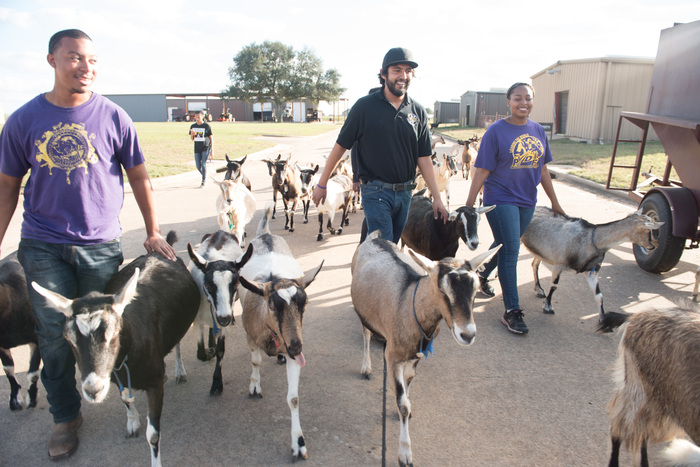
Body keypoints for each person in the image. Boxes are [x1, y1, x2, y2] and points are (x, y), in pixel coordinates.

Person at [0, 29, 176, 461]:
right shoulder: (23, 120)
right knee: (54, 337)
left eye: (93, 59)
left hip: (99, 246)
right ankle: (65, 417)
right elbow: (6, 187)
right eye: (76, 57)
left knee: (104, 331)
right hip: (42, 246)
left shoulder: (114, 117)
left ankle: (119, 392)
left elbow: (138, 177)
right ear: (52, 61)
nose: (86, 66)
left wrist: (153, 230)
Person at [312, 47, 448, 244]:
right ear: (383, 74)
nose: (403, 76)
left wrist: (437, 197)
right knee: (385, 247)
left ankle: (363, 270)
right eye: (397, 70)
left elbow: (424, 157)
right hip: (375, 191)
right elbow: (341, 146)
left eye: (408, 71)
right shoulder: (364, 107)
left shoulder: (417, 111)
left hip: (405, 193)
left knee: (388, 246)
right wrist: (322, 183)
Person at [465, 82, 565, 335]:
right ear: (508, 101)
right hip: (500, 198)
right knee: (510, 252)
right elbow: (482, 169)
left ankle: (479, 275)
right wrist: (469, 204)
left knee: (506, 243)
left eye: (528, 98)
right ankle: (512, 311)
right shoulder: (496, 131)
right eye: (518, 98)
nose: (523, 102)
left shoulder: (538, 130)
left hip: (526, 200)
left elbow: (542, 169)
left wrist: (554, 200)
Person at [189, 110, 213, 187]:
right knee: (197, 166)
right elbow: (192, 139)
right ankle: (205, 175)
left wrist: (212, 149)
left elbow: (211, 137)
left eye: (198, 117)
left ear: (202, 116)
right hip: (197, 148)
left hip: (205, 147)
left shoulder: (206, 126)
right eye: (195, 117)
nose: (197, 119)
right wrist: (192, 134)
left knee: (203, 164)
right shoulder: (193, 126)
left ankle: (203, 181)